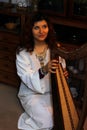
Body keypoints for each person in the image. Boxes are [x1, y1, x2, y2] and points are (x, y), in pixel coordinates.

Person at [16, 12, 68, 130]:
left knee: (62, 117)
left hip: (52, 91)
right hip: (31, 94)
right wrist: (44, 69)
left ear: (48, 28)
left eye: (44, 27)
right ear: (30, 30)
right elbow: (26, 77)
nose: (41, 31)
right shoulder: (22, 52)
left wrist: (63, 73)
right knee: (48, 123)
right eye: (36, 28)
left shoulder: (54, 48)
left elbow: (62, 65)